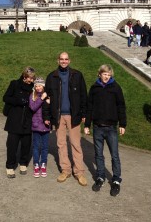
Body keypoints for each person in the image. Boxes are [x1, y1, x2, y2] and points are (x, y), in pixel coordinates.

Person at [43, 52, 88, 186]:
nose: (64, 61)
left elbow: (83, 96)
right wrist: (47, 116)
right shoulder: (52, 76)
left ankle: (79, 172)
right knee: (61, 144)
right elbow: (46, 98)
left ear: (69, 60)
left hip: (73, 115)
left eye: (66, 59)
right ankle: (65, 170)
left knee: (75, 144)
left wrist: (84, 114)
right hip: (58, 116)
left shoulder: (77, 75)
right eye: (61, 59)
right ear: (58, 60)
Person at [84, 64, 127, 197]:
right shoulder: (94, 88)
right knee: (98, 154)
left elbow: (121, 106)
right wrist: (87, 125)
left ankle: (116, 180)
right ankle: (100, 177)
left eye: (108, 75)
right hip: (97, 127)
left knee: (114, 155)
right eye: (104, 74)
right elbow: (89, 106)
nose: (106, 77)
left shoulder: (115, 88)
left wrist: (122, 124)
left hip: (111, 127)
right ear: (100, 74)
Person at [3, 66, 36, 178]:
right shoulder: (14, 84)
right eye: (29, 78)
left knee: (26, 143)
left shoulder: (34, 88)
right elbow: (6, 98)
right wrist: (18, 101)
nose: (31, 80)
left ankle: (23, 163)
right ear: (24, 76)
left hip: (28, 119)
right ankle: (10, 166)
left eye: (32, 78)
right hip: (15, 118)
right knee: (12, 144)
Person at [29, 77, 51, 178]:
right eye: (36, 86)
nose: (38, 88)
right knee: (36, 146)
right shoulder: (33, 96)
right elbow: (33, 107)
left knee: (45, 147)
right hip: (36, 125)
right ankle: (36, 164)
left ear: (43, 86)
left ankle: (43, 164)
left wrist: (49, 101)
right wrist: (41, 99)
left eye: (40, 86)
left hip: (46, 126)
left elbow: (51, 110)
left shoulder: (48, 96)